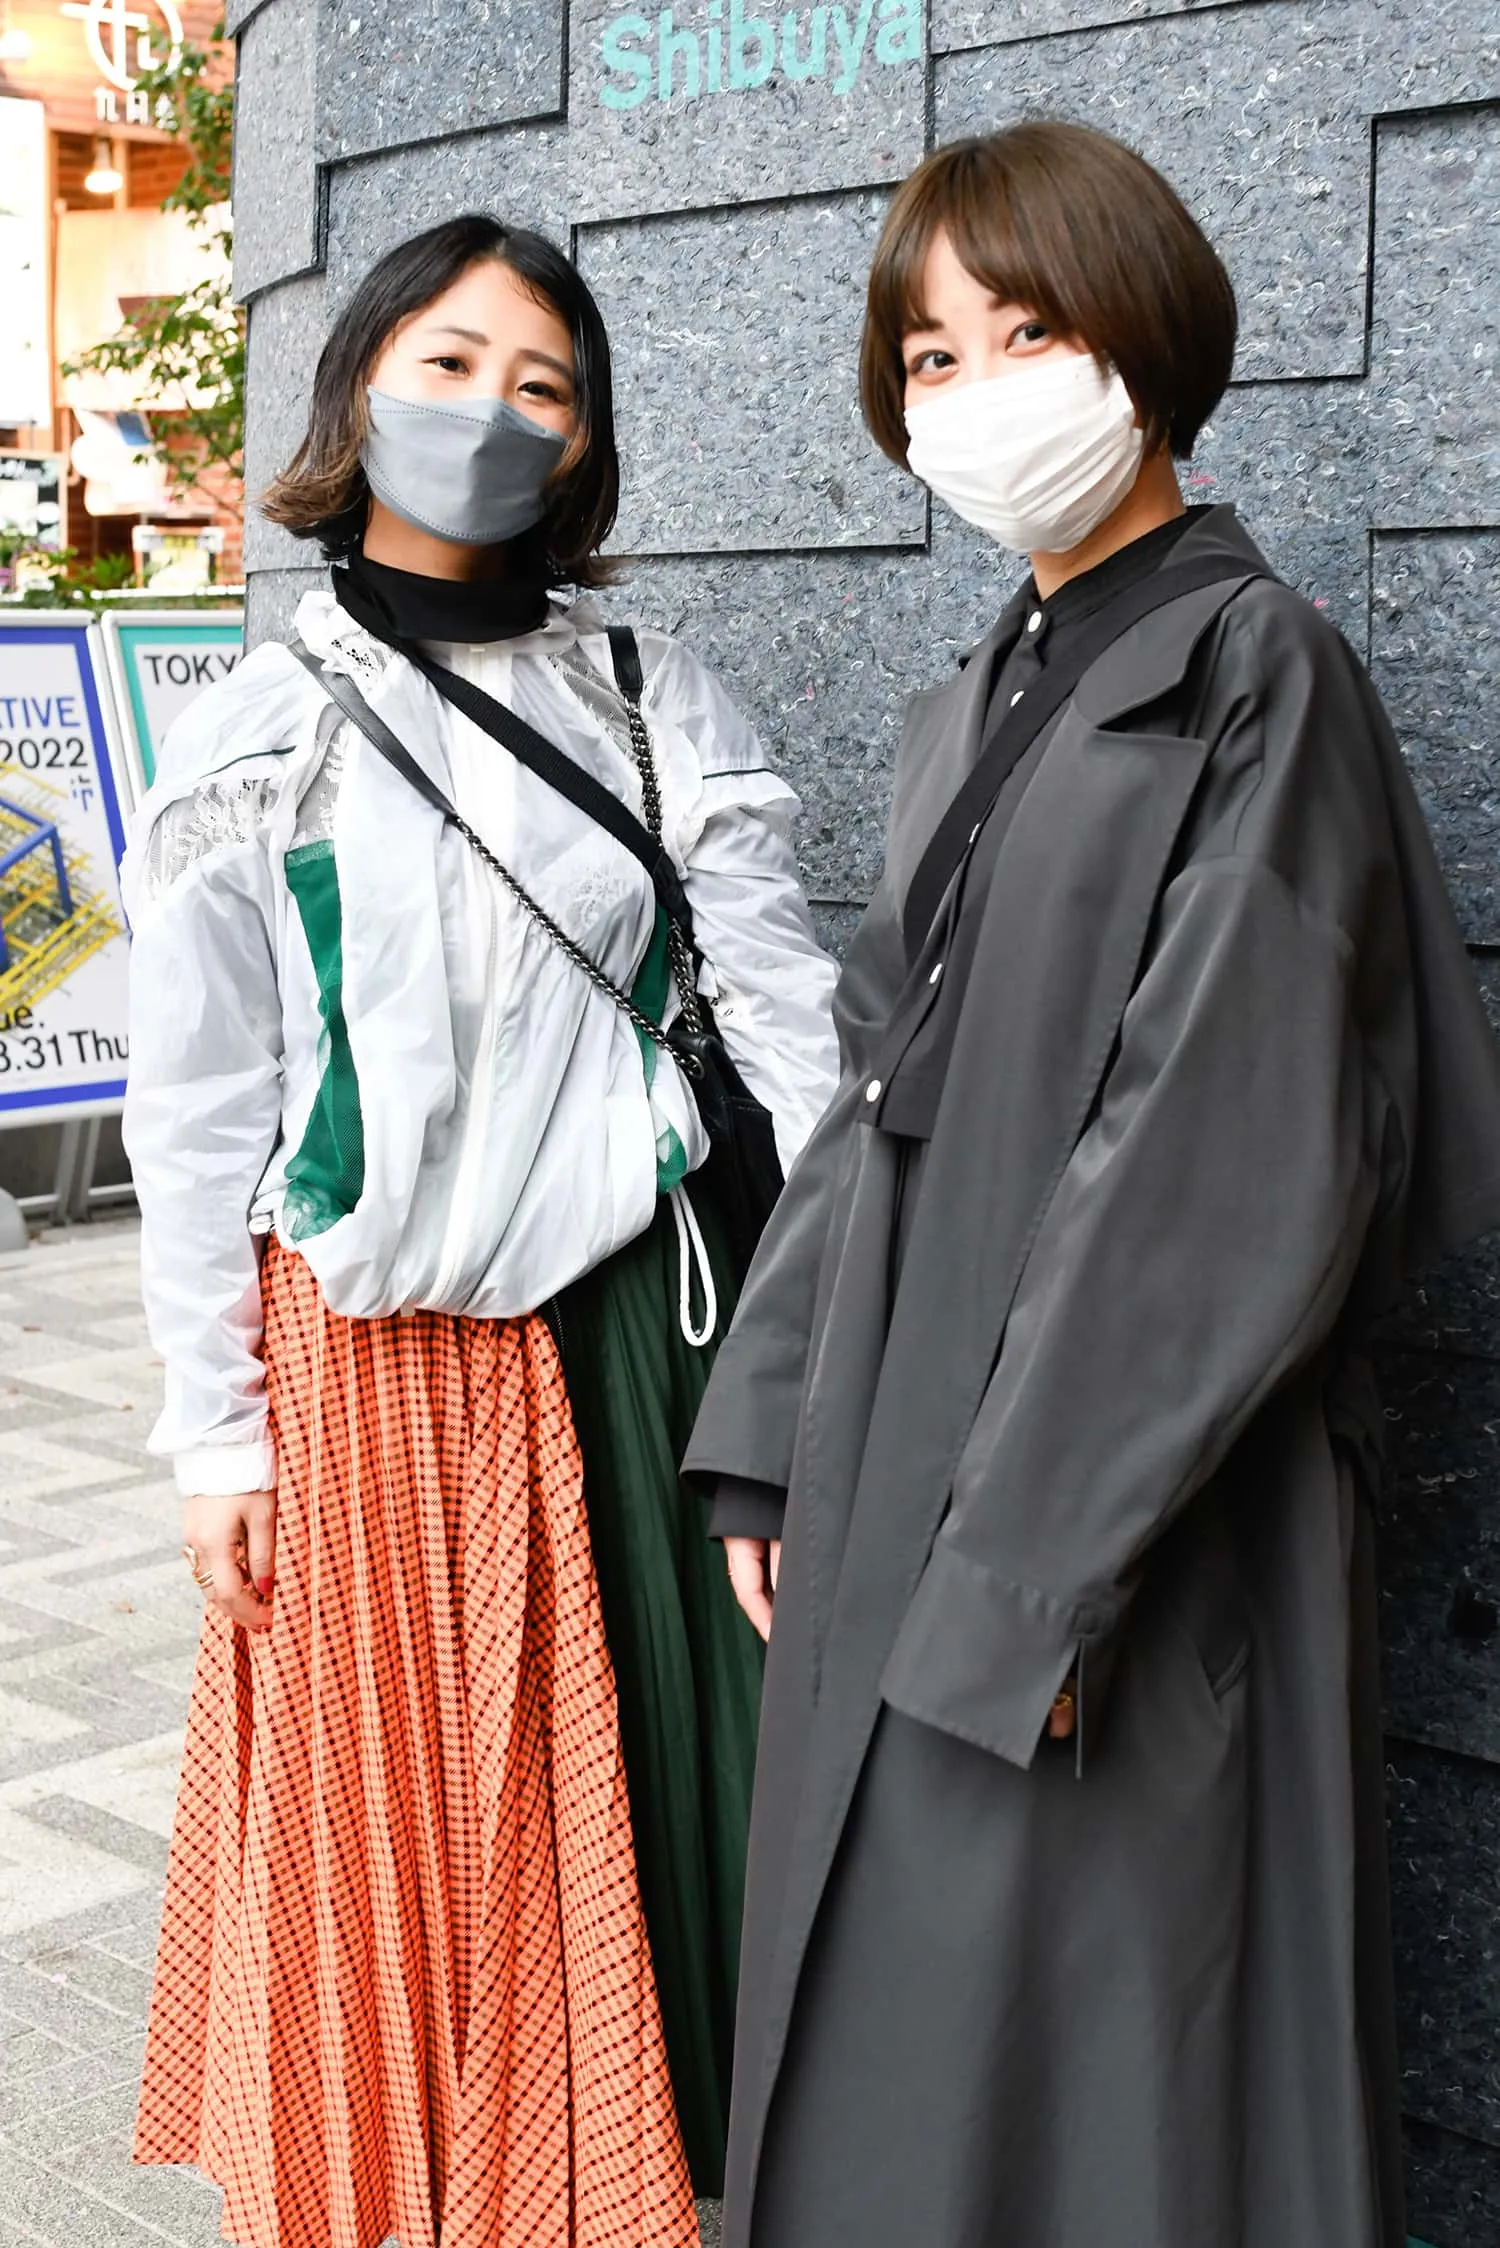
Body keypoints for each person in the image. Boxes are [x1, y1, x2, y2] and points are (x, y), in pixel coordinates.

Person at [686, 121, 1500, 2248]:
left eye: (1026, 331)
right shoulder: (979, 699)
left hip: (1111, 1522)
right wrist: (770, 1434)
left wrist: (1031, 1580)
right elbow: (877, 1084)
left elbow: (1232, 1156)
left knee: (1100, 2068)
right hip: (907, 1458)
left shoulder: (1254, 666)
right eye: (928, 357)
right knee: (910, 2053)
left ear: (1143, 339)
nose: (973, 393)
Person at [125, 213, 839, 2248]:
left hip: (637, 1349)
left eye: (543, 382)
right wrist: (214, 1429)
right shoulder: (261, 725)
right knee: (400, 1852)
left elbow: (794, 1038)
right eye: (447, 361)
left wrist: (826, 1353)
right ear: (357, 384)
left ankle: (628, 2195)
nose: (492, 411)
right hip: (364, 1371)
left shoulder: (647, 697)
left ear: (587, 439)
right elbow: (198, 1108)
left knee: (657, 1831)